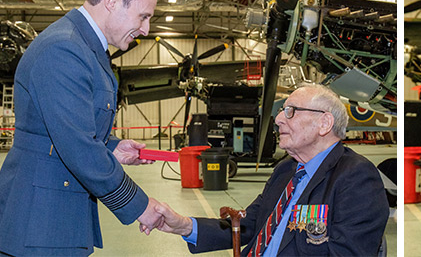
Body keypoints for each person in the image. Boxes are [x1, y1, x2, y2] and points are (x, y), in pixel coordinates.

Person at [0, 0, 162, 255]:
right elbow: (78, 147)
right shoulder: (64, 49)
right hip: (41, 226)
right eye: (144, 16)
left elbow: (63, 129)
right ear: (112, 1)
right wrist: (140, 205)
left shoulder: (85, 49)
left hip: (57, 218)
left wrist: (111, 147)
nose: (146, 29)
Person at [152, 84, 389, 256]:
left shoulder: (356, 177)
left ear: (324, 123)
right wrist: (185, 225)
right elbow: (252, 223)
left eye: (291, 111)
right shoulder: (286, 169)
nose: (278, 120)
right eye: (281, 112)